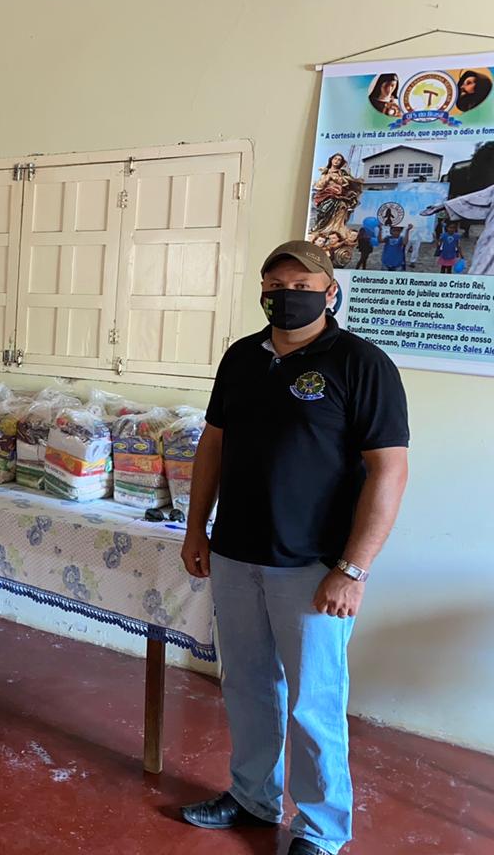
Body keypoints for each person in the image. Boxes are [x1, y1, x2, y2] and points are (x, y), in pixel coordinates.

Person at [179, 241, 409, 855]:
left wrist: (353, 570)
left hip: (314, 567)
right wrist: (197, 527)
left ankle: (321, 830)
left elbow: (389, 472)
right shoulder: (241, 357)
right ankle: (252, 797)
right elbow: (213, 445)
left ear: (330, 292)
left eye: (301, 285)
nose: (286, 296)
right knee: (247, 686)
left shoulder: (362, 364)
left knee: (315, 703)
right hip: (236, 555)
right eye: (275, 285)